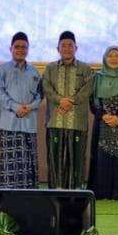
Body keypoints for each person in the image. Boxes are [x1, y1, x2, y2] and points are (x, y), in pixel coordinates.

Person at [42, 31, 94, 189]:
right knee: (55, 160)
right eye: (63, 45)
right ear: (57, 48)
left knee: (76, 161)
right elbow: (46, 88)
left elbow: (88, 89)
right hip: (55, 121)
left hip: (77, 122)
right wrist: (60, 100)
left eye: (70, 45)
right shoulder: (50, 68)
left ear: (76, 48)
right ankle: (55, 193)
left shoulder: (85, 69)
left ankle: (75, 194)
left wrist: (70, 102)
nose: (66, 48)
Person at [0, 32, 42, 189]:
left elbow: (40, 95)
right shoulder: (1, 70)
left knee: (28, 164)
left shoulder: (34, 72)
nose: (20, 50)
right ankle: (9, 195)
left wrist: (30, 107)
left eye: (24, 47)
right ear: (11, 49)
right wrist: (16, 107)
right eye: (17, 47)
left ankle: (29, 195)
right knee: (10, 165)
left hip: (29, 124)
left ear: (28, 49)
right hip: (9, 124)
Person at [87, 46, 118, 200]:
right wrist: (103, 115)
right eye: (110, 55)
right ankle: (102, 192)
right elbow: (93, 102)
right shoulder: (97, 78)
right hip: (102, 123)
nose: (114, 59)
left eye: (117, 55)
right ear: (105, 58)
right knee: (102, 156)